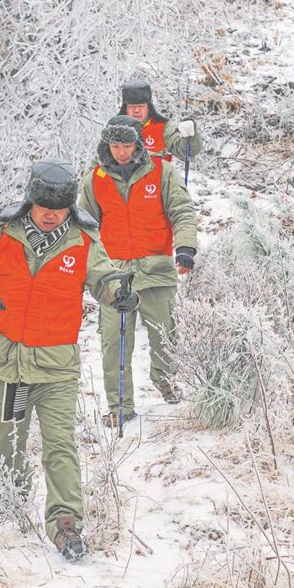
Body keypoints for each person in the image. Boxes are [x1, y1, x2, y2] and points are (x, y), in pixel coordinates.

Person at [0, 159, 138, 560]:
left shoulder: (83, 240)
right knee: (9, 441)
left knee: (59, 444)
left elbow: (103, 277)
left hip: (56, 368)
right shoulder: (0, 233)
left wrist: (117, 293)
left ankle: (66, 524)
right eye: (44, 207)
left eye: (59, 209)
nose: (51, 215)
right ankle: (14, 498)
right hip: (12, 366)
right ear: (29, 201)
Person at [78, 116, 197, 427]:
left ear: (138, 143)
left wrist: (185, 247)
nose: (121, 152)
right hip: (112, 275)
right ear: (107, 145)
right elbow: (85, 230)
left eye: (127, 145)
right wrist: (87, 271)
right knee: (113, 343)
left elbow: (182, 210)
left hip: (156, 268)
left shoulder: (162, 171)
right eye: (115, 146)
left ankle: (166, 383)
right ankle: (120, 406)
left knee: (165, 335)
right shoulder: (94, 179)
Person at [118, 78, 202, 162]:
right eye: (132, 106)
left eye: (141, 106)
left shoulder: (163, 128)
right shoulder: (116, 128)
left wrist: (189, 136)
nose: (136, 110)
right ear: (125, 108)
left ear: (148, 107)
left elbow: (186, 151)